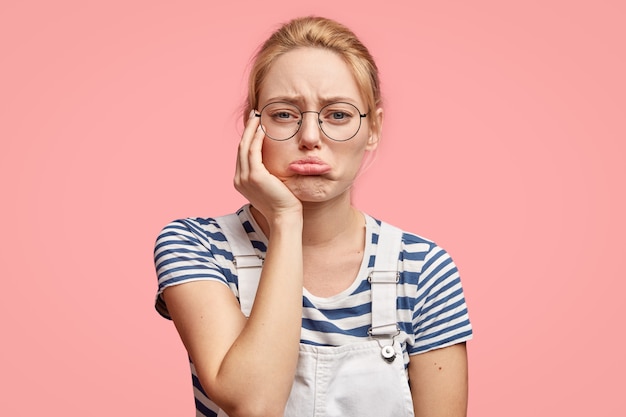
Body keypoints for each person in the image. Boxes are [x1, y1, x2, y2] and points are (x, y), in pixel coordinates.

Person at [154, 16, 472, 417]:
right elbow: (254, 404)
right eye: (284, 114)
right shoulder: (196, 245)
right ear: (253, 127)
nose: (309, 136)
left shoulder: (423, 268)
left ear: (372, 127)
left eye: (337, 115)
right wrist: (287, 219)